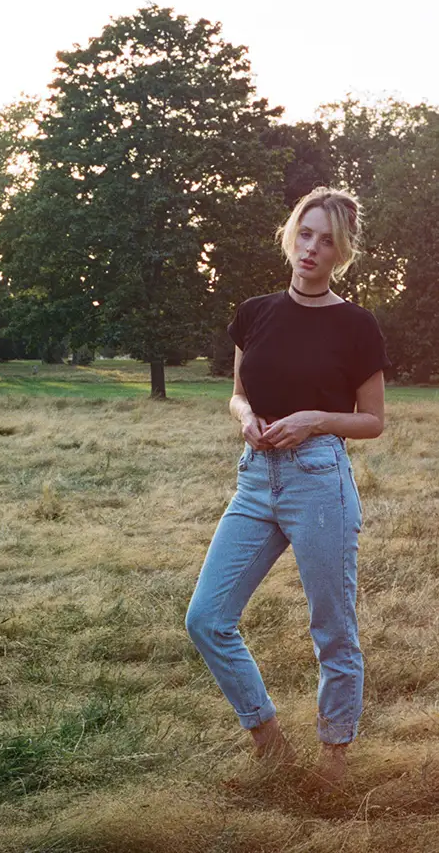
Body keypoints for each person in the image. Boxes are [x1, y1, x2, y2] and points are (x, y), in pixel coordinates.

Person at [185, 186, 390, 791]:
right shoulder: (255, 311)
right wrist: (243, 417)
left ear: (341, 253)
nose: (312, 248)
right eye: (306, 233)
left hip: (319, 479)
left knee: (333, 629)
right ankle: (269, 740)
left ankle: (334, 761)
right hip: (255, 477)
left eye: (327, 241)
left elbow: (374, 420)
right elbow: (239, 390)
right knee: (206, 618)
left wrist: (315, 420)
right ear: (291, 234)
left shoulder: (357, 325)